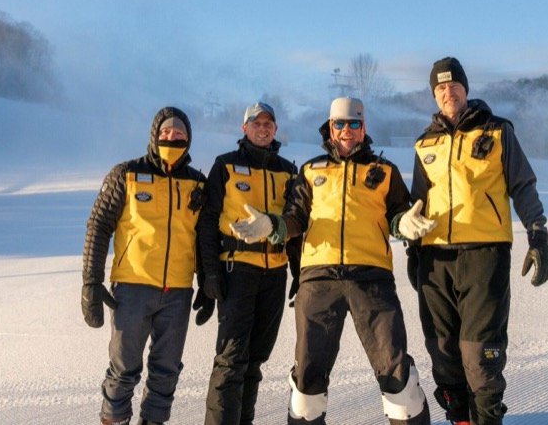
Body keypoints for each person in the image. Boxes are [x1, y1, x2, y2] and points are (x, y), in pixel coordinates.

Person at [230, 96, 431, 425]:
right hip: (318, 280)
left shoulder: (384, 171)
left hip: (373, 278)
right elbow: (295, 217)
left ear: (364, 128)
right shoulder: (311, 171)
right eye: (340, 123)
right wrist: (272, 226)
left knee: (399, 379)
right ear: (330, 127)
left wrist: (403, 225)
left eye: (354, 123)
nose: (347, 130)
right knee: (307, 382)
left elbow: (398, 214)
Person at [404, 57, 548, 425]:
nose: (447, 92)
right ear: (434, 95)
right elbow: (417, 203)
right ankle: (460, 419)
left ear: (466, 89)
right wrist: (413, 248)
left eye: (453, 85)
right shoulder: (425, 143)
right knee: (443, 351)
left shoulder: (498, 131)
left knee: (479, 354)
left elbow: (522, 185)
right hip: (435, 259)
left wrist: (538, 235)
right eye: (440, 88)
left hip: (485, 255)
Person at [81, 106, 207, 425]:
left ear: (188, 140)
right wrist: (91, 283)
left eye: (179, 134)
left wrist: (208, 283)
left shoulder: (197, 185)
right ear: (154, 136)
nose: (172, 137)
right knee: (124, 371)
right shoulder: (127, 174)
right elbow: (98, 226)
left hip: (178, 292)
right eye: (166, 132)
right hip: (132, 288)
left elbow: (205, 239)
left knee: (166, 374)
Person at [197, 101, 300, 425]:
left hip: (274, 274)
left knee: (255, 360)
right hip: (236, 270)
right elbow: (207, 222)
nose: (263, 128)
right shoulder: (225, 166)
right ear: (244, 128)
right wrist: (209, 273)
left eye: (268, 123)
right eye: (256, 123)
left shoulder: (288, 170)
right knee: (231, 359)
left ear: (275, 129)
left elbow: (296, 225)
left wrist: (298, 274)